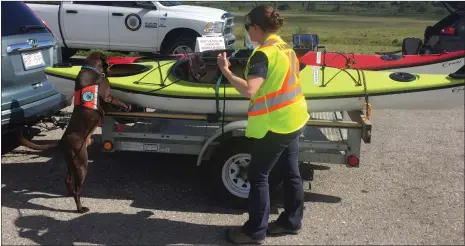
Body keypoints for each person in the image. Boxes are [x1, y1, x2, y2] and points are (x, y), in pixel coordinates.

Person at [217, 4, 310, 245]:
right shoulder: (285, 47)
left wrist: (226, 72)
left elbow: (250, 90)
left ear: (257, 27)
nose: (246, 32)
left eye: (247, 27)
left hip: (275, 124)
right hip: (295, 117)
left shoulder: (262, 54)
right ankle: (291, 222)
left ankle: (254, 232)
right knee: (291, 173)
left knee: (258, 176)